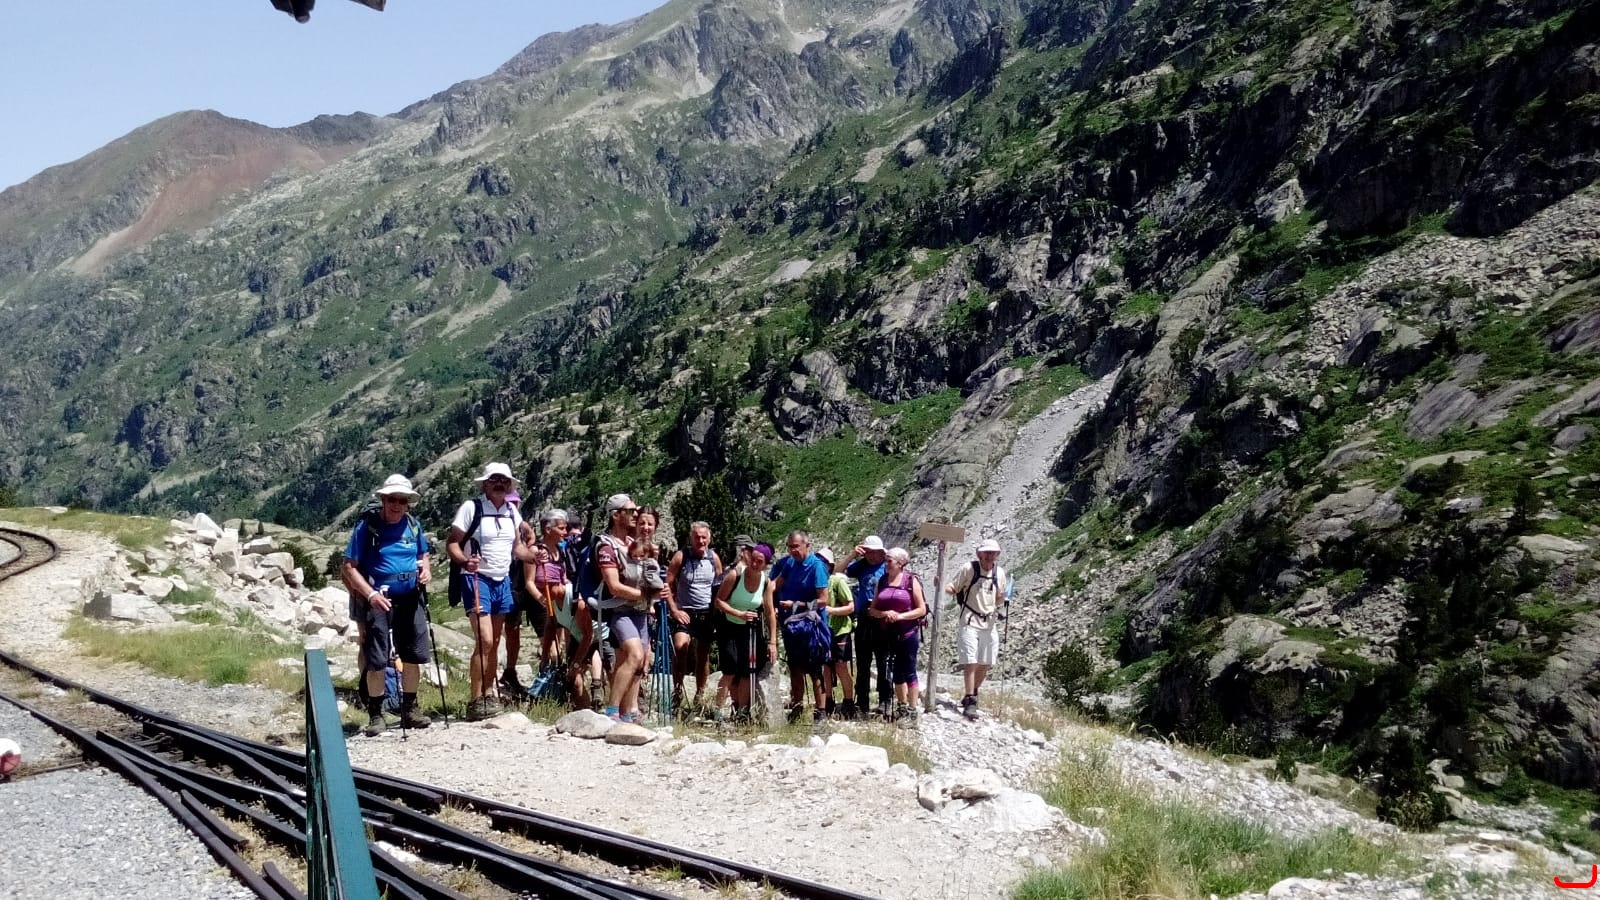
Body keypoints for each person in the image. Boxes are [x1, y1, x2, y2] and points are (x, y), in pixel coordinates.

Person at [341, 474, 433, 736]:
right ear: (383, 500)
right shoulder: (368, 527)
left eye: (402, 501)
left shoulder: (413, 525)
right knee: (377, 659)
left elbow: (422, 553)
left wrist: (426, 570)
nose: (397, 505)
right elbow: (349, 566)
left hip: (410, 596)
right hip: (379, 597)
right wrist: (370, 595)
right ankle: (376, 714)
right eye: (392, 499)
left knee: (413, 655)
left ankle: (410, 710)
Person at [446, 462, 536, 720]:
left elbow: (517, 548)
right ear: (485, 484)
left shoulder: (511, 511)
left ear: (509, 485)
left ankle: (488, 694)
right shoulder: (471, 508)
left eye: (504, 480)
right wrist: (465, 561)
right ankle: (475, 699)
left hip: (501, 579)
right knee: (485, 640)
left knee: (495, 642)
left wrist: (533, 556)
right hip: (476, 578)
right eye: (494, 479)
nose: (499, 484)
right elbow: (452, 543)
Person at [595, 493, 650, 723]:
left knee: (637, 662)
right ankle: (612, 710)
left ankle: (627, 713)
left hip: (640, 611)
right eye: (630, 511)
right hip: (619, 611)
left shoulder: (632, 543)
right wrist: (646, 595)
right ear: (616, 515)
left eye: (636, 510)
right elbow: (614, 586)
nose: (635, 515)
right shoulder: (606, 547)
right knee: (635, 655)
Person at [714, 536, 777, 725]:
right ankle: (717, 711)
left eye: (760, 561)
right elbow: (719, 602)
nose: (755, 564)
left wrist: (773, 641)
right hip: (729, 626)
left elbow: (769, 612)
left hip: (749, 629)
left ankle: (742, 712)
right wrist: (739, 614)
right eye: (753, 559)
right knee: (729, 670)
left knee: (746, 671)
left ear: (766, 564)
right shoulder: (735, 575)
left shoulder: (766, 582)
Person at [770, 530, 831, 723]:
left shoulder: (817, 566)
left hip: (812, 625)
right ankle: (797, 707)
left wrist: (797, 604)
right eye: (790, 547)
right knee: (795, 667)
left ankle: (820, 713)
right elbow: (776, 584)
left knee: (815, 670)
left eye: (796, 546)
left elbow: (824, 600)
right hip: (792, 625)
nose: (792, 550)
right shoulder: (790, 563)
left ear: (807, 545)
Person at [947, 538, 1010, 720]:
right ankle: (970, 699)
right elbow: (954, 587)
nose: (990, 556)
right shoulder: (969, 569)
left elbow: (999, 597)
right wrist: (945, 587)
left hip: (989, 623)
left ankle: (972, 692)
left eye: (993, 553)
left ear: (997, 555)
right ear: (979, 554)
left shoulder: (999, 573)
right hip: (969, 620)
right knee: (971, 661)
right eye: (987, 552)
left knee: (986, 662)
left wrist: (1004, 600)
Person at [664, 521, 722, 715]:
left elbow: (720, 585)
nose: (701, 541)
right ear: (691, 538)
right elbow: (667, 584)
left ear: (709, 539)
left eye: (704, 537)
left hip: (706, 613)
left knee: (703, 656)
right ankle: (677, 693)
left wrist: (718, 611)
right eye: (697, 537)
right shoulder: (681, 557)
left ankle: (700, 696)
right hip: (685, 611)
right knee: (680, 647)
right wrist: (674, 610)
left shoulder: (714, 558)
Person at [869, 546, 926, 725]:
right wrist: (885, 614)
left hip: (908, 633)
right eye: (886, 560)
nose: (886, 564)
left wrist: (900, 616)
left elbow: (921, 609)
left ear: (900, 563)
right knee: (897, 671)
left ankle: (912, 711)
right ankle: (902, 706)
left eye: (889, 560)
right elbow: (872, 610)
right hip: (889, 633)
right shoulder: (882, 580)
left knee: (909, 670)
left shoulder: (911, 580)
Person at [842, 535, 890, 718]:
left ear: (881, 552)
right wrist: (852, 555)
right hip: (864, 617)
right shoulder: (861, 565)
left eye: (874, 552)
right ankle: (862, 702)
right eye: (868, 551)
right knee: (863, 662)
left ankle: (885, 700)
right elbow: (837, 571)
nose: (871, 555)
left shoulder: (888, 565)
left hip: (882, 618)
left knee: (884, 661)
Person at [815, 547, 856, 720]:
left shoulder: (837, 582)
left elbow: (851, 607)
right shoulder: (815, 582)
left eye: (823, 562)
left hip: (840, 630)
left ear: (830, 566)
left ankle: (848, 701)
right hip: (822, 630)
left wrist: (831, 610)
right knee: (825, 666)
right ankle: (828, 701)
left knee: (840, 666)